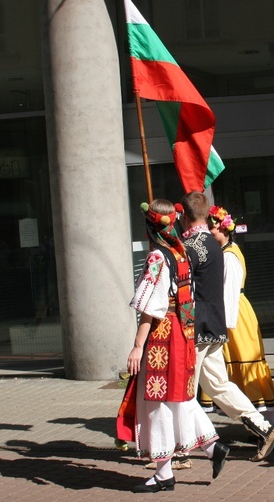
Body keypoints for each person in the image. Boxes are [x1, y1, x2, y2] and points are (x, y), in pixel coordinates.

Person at [115, 198, 228, 492]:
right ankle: (213, 447)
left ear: (151, 226)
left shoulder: (157, 258)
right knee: (181, 397)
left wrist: (138, 346)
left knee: (158, 402)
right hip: (183, 330)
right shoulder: (181, 254)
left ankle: (164, 472)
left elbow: (150, 308)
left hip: (162, 334)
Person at [180, 192, 274, 462]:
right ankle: (263, 427)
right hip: (212, 325)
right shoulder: (214, 245)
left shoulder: (192, 245)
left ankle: (183, 449)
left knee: (184, 389)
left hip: (198, 326)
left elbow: (184, 286)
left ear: (185, 216)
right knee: (218, 385)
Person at [207, 204, 274, 428]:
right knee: (237, 364)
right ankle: (265, 421)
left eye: (211, 226)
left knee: (244, 361)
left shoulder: (229, 256)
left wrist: (225, 325)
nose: (209, 231)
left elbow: (229, 291)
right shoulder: (226, 252)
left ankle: (269, 422)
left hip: (235, 314)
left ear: (222, 227)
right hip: (234, 311)